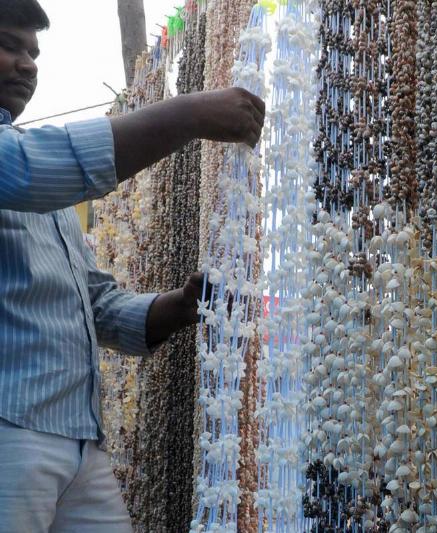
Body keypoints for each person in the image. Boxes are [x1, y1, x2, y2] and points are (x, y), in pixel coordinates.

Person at [0, 1, 266, 531]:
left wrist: (181, 306)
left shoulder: (49, 196)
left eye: (34, 53)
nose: (28, 64)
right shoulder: (27, 167)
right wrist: (187, 115)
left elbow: (96, 305)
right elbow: (26, 170)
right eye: (10, 46)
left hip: (78, 437)